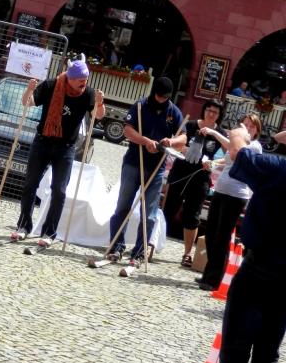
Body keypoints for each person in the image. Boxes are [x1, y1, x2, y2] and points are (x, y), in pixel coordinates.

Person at [189, 125, 286, 363]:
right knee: (265, 362)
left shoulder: (278, 168)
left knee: (234, 356)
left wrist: (239, 133)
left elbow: (239, 153)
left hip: (261, 270)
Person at [10, 58, 105, 246]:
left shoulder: (87, 93)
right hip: (42, 141)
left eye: (86, 79)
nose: (84, 83)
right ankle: (23, 226)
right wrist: (29, 89)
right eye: (80, 80)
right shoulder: (51, 85)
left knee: (59, 190)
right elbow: (27, 102)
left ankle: (49, 233)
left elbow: (98, 116)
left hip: (66, 147)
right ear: (70, 78)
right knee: (30, 184)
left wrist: (100, 103)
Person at [107, 77, 184, 266]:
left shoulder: (174, 112)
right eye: (158, 96)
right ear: (153, 92)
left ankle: (139, 253)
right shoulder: (140, 106)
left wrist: (170, 142)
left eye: (164, 97)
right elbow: (128, 130)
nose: (160, 99)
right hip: (134, 162)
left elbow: (183, 138)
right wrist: (145, 141)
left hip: (157, 168)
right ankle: (116, 246)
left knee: (149, 213)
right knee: (123, 206)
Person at [197, 113, 262, 291]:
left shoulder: (254, 146)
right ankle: (209, 273)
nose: (247, 129)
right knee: (211, 233)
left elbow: (236, 154)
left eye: (251, 126)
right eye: (244, 125)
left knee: (222, 236)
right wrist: (213, 163)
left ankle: (214, 279)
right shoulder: (235, 143)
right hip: (221, 190)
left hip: (236, 194)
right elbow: (227, 158)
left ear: (256, 131)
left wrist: (216, 133)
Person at [162, 99, 225, 268]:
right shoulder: (191, 125)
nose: (211, 114)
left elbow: (230, 155)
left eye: (215, 112)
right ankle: (151, 245)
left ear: (219, 115)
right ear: (204, 110)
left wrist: (214, 162)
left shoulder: (219, 133)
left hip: (201, 177)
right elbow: (177, 144)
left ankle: (187, 253)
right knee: (168, 209)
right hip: (180, 172)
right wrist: (183, 149)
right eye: (209, 110)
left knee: (192, 216)